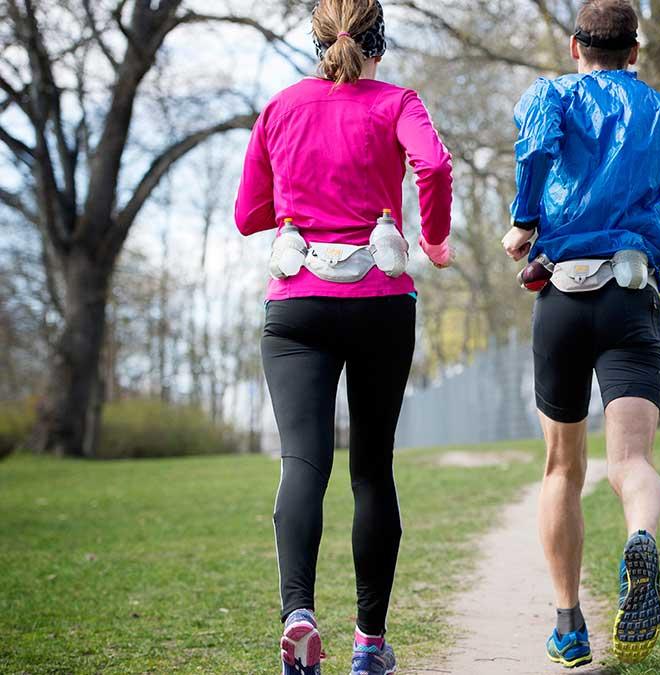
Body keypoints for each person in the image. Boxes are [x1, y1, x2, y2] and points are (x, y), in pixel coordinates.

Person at [500, 0, 660, 667]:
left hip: (564, 298)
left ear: (576, 48)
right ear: (635, 52)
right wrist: (654, 220)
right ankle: (641, 536)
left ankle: (569, 624)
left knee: (563, 469)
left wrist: (525, 219)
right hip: (632, 297)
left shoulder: (550, 95)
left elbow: (538, 145)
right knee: (632, 463)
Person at [234, 1, 454, 673]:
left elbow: (249, 215)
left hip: (298, 304)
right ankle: (369, 644)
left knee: (303, 462)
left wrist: (299, 207)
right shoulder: (397, 102)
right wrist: (435, 239)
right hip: (380, 301)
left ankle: (298, 614)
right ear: (379, 41)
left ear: (318, 40)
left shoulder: (280, 108)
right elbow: (436, 168)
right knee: (370, 470)